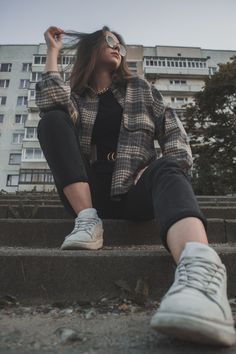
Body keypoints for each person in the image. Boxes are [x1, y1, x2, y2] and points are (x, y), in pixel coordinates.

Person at [35, 25, 236, 346]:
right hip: (86, 195)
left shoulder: (140, 88)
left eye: (121, 45)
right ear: (91, 49)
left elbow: (174, 134)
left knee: (168, 164)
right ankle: (87, 221)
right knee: (52, 119)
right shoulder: (76, 97)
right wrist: (53, 51)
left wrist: (162, 168)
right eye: (110, 41)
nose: (118, 47)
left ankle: (201, 276)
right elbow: (49, 98)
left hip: (132, 189)